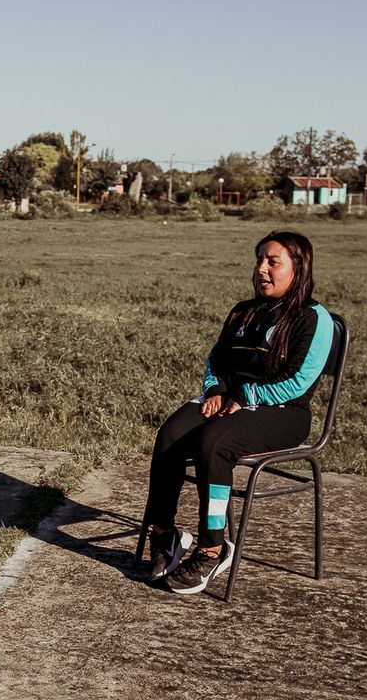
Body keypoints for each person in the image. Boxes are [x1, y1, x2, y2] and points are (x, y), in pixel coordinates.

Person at [142, 230, 334, 595]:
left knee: (212, 444)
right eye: (259, 260)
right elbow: (216, 358)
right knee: (170, 434)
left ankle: (212, 548)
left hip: (282, 411)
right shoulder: (243, 311)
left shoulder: (314, 318)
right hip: (230, 399)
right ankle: (165, 535)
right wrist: (215, 389)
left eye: (272, 262)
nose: (261, 269)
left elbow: (299, 380)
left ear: (299, 267)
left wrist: (244, 394)